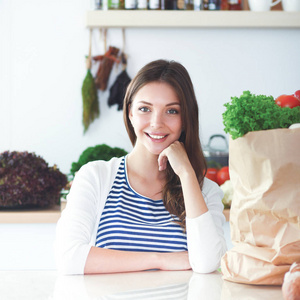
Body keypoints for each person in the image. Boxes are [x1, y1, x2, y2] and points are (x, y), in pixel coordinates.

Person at [55, 59, 227, 275]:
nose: (156, 122)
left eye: (172, 111)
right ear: (130, 113)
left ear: (186, 119)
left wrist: (186, 174)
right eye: (145, 108)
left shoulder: (205, 191)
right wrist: (161, 260)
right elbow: (68, 257)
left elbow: (208, 263)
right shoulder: (96, 176)